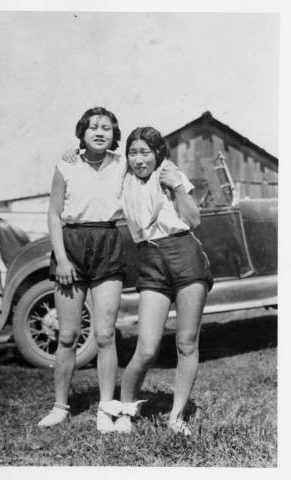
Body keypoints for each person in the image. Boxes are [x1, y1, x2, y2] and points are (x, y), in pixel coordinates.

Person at [115, 126, 213, 436]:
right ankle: (125, 412)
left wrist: (178, 187)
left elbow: (194, 220)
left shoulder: (172, 175)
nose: (139, 159)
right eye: (133, 152)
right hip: (150, 260)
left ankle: (176, 416)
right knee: (146, 348)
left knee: (186, 342)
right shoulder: (124, 182)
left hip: (185, 255)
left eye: (145, 152)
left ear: (158, 153)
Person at [38, 107, 126, 433]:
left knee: (105, 334)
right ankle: (60, 407)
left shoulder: (122, 163)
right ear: (82, 132)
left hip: (108, 242)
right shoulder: (68, 163)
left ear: (114, 134)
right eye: (93, 127)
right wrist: (61, 259)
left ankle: (106, 407)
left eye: (106, 128)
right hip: (71, 246)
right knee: (67, 335)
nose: (99, 132)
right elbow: (53, 212)